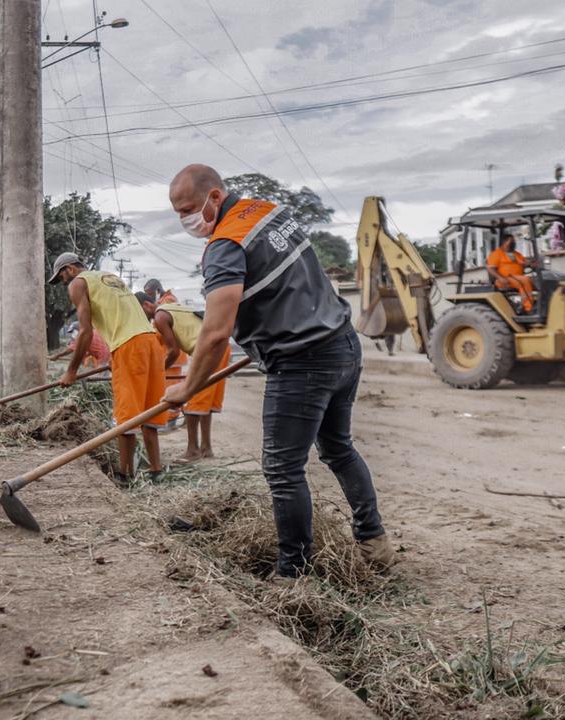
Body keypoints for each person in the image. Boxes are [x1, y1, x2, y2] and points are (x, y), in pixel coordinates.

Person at [163, 163, 395, 576]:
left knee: (282, 470)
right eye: (178, 212)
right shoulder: (268, 211)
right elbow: (287, 284)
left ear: (215, 197)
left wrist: (185, 390)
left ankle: (293, 573)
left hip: (302, 361)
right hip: (341, 344)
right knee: (339, 448)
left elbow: (216, 334)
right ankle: (374, 544)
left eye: (189, 208)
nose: (186, 220)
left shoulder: (225, 244)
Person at [50, 252, 168, 483]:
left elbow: (85, 331)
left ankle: (124, 476)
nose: (63, 282)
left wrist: (72, 370)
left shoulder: (78, 283)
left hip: (129, 345)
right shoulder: (109, 277)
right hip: (150, 342)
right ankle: (156, 471)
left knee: (127, 417)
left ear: (71, 269)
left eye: (62, 276)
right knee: (148, 413)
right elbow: (121, 316)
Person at [137, 292, 229, 463]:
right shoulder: (172, 307)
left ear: (147, 305)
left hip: (208, 349)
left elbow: (173, 352)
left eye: (141, 312)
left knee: (192, 400)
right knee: (204, 403)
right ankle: (206, 448)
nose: (144, 317)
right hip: (221, 347)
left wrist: (157, 373)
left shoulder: (160, 316)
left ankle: (193, 450)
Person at [142, 278, 187, 428]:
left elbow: (165, 331)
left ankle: (170, 420)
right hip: (168, 353)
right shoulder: (165, 302)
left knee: (169, 389)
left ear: (157, 291)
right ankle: (167, 419)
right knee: (167, 388)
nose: (149, 297)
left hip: (172, 354)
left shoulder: (167, 303)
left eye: (149, 294)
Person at [486, 233, 538, 313]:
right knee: (525, 280)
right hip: (504, 279)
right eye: (512, 241)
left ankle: (539, 304)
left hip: (518, 277)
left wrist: (532, 263)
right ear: (504, 242)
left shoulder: (516, 254)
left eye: (514, 241)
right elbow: (491, 269)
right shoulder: (495, 254)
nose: (514, 243)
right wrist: (501, 278)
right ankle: (528, 308)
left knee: (538, 281)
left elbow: (525, 262)